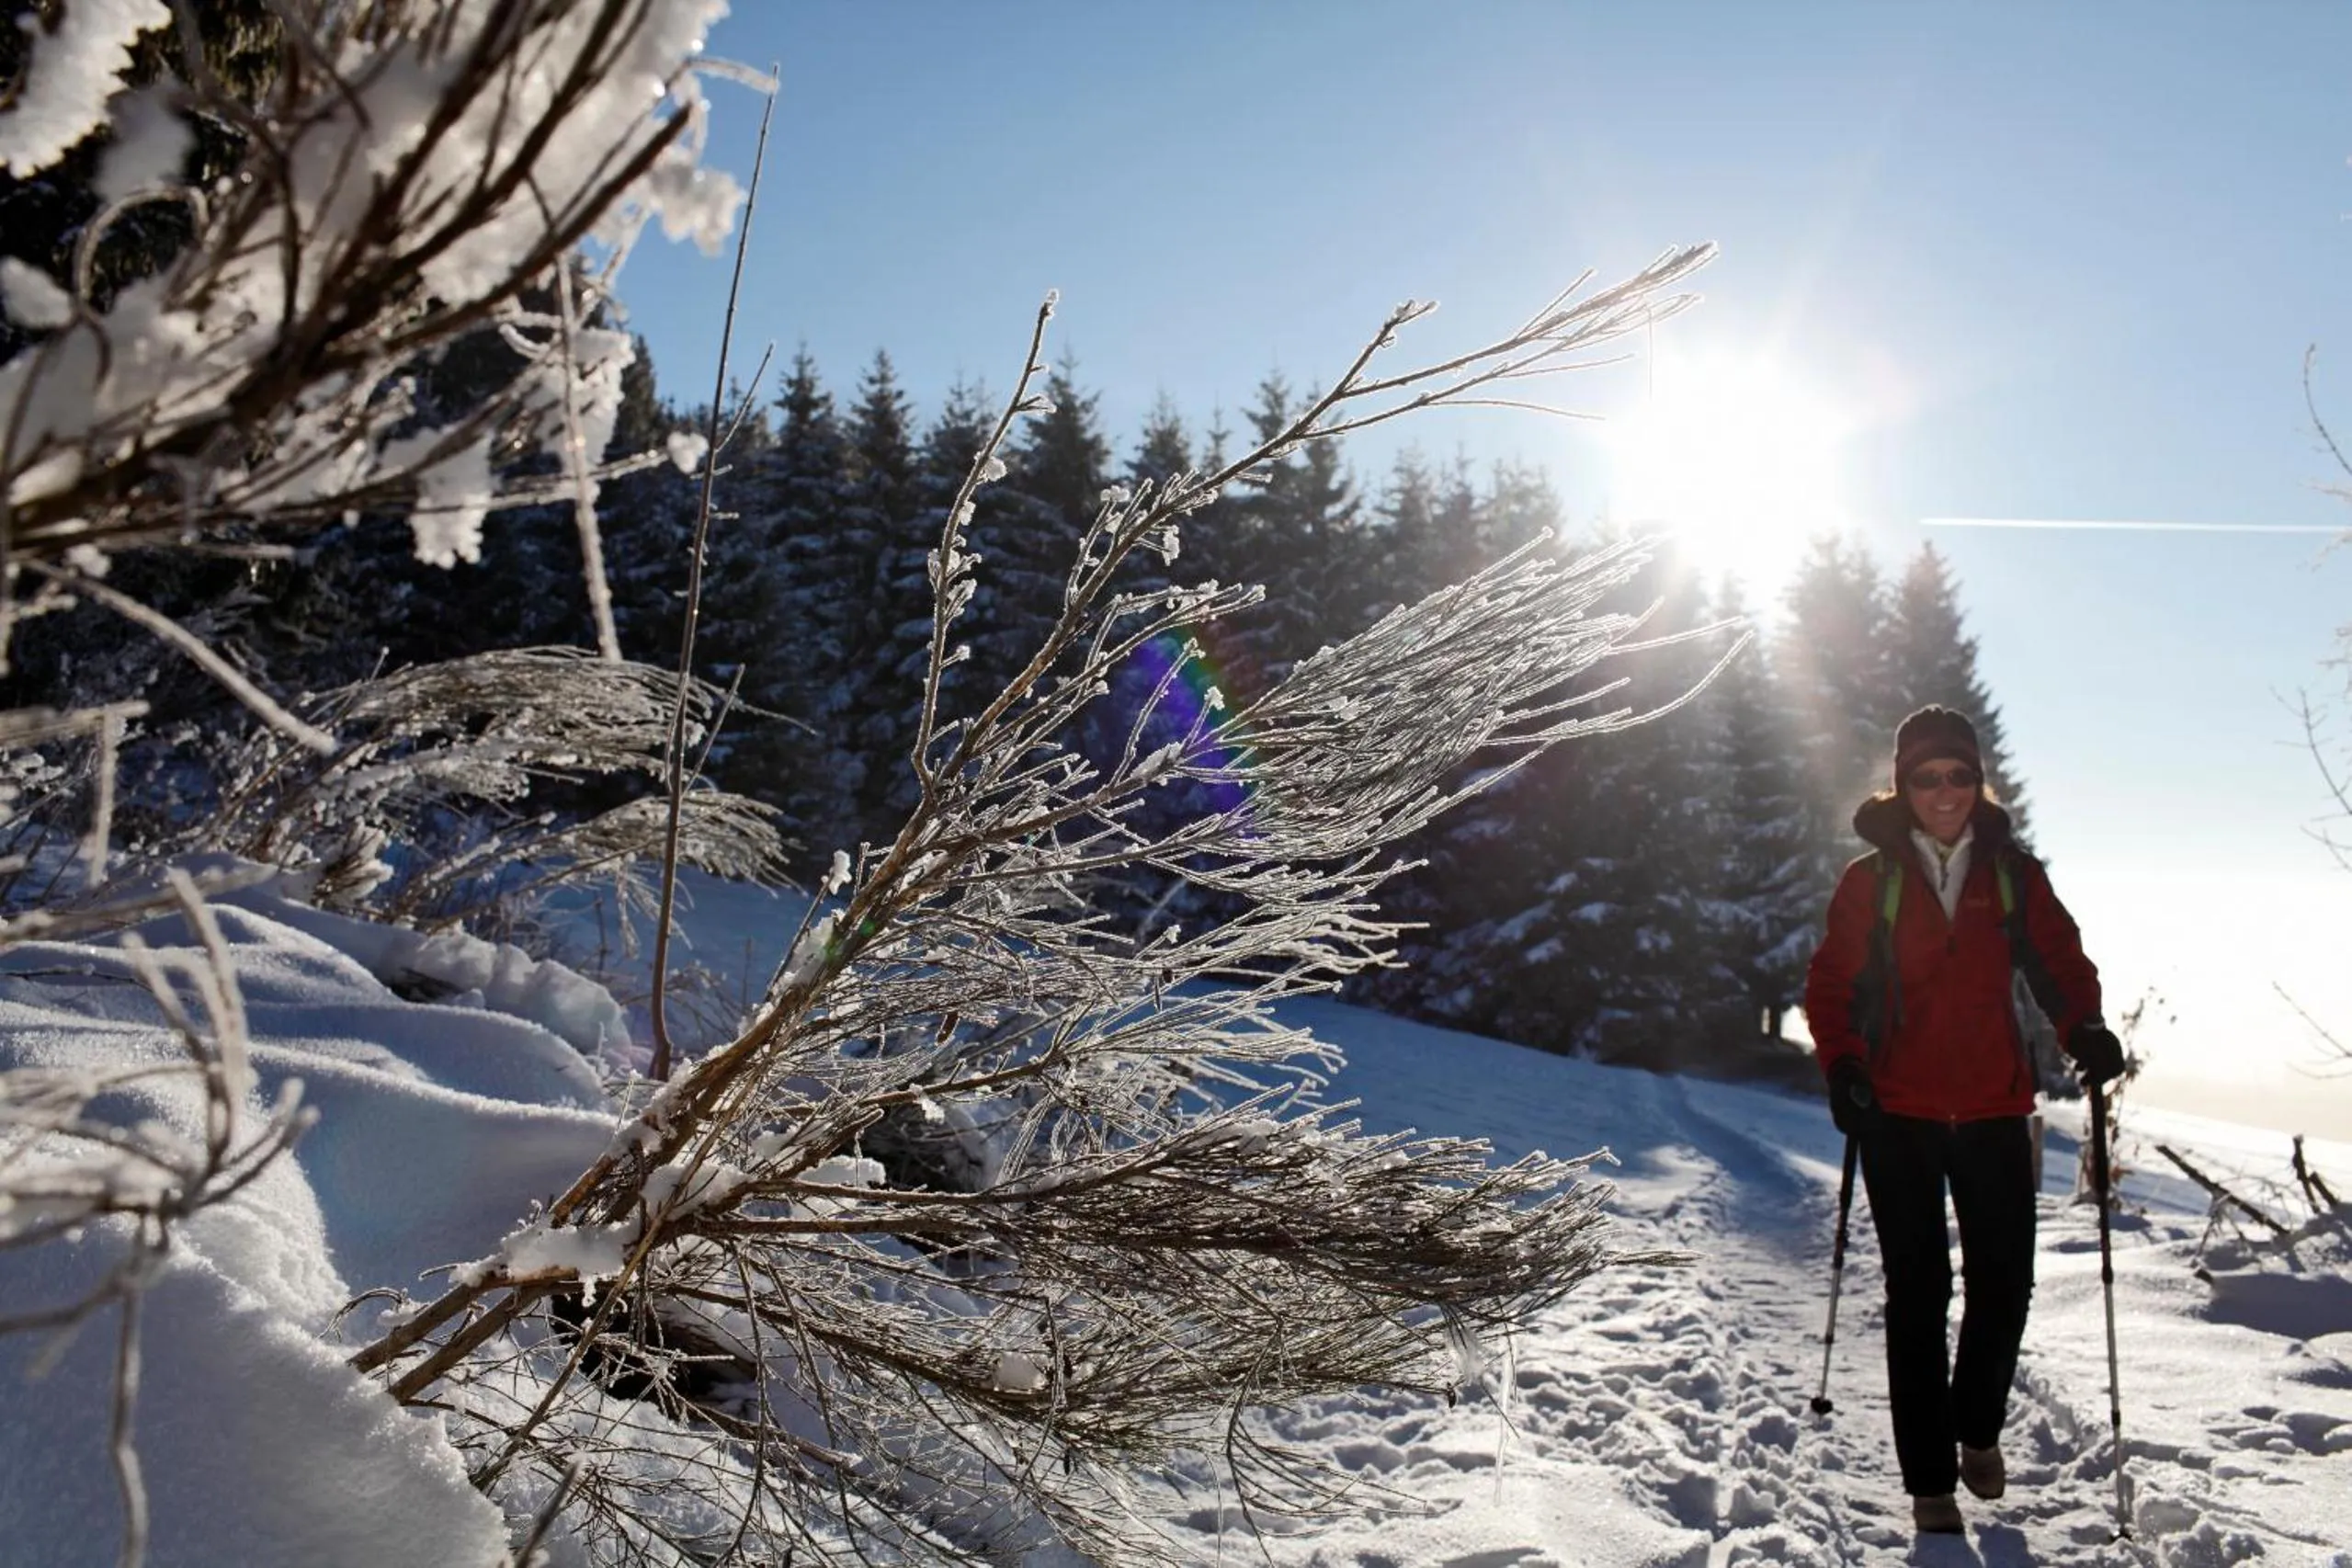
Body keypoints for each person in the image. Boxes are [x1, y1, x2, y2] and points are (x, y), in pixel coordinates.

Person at [1802, 705, 2126, 1538]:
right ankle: (1928, 1483)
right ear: (1901, 786)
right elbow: (1830, 984)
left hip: (1991, 1108)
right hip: (1896, 1113)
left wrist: (2081, 1027)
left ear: (1976, 782)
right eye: (1925, 777)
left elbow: (2059, 961)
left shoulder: (2012, 875)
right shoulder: (1869, 882)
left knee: (2003, 1288)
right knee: (1917, 1295)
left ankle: (1975, 1426)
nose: (1943, 791)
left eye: (1958, 775)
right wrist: (1841, 1064)